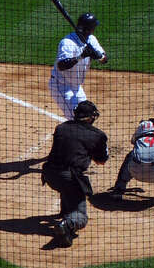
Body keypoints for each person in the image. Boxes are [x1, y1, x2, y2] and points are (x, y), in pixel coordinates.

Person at [41, 100, 109, 247]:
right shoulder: (98, 135)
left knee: (68, 183)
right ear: (91, 117)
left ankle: (65, 213)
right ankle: (68, 223)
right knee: (81, 217)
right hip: (67, 178)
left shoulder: (61, 128)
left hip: (48, 174)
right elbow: (101, 161)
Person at [48, 12, 108, 119]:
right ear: (90, 29)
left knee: (88, 115)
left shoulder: (91, 39)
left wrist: (99, 56)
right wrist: (81, 56)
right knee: (77, 118)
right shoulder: (67, 42)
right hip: (61, 86)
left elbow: (104, 59)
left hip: (77, 87)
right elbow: (61, 65)